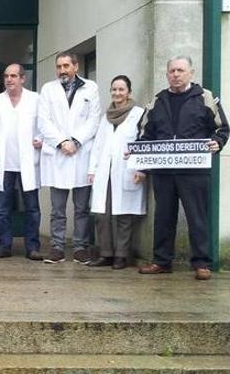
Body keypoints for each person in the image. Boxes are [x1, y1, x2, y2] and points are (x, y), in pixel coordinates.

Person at [137, 56, 228, 280]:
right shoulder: (156, 101)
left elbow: (223, 128)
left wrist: (218, 142)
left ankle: (201, 264)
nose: (176, 74)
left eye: (180, 70)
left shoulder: (205, 97)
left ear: (191, 72)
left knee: (197, 217)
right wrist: (138, 158)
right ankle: (161, 261)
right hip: (163, 172)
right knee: (163, 217)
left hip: (194, 171)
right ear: (167, 74)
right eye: (172, 71)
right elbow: (144, 135)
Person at [38, 52, 102, 264]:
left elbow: (94, 119)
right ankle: (56, 247)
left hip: (81, 152)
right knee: (57, 209)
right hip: (58, 152)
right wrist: (62, 142)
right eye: (59, 66)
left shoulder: (90, 88)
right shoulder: (48, 89)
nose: (62, 70)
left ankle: (80, 247)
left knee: (82, 207)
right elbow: (43, 121)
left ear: (76, 66)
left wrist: (75, 141)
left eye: (66, 66)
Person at [86, 75, 146, 270]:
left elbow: (143, 142)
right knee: (102, 215)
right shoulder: (106, 116)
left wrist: (141, 168)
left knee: (124, 216)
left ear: (129, 92)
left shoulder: (139, 114)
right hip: (105, 172)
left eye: (121, 89)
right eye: (114, 89)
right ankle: (106, 254)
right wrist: (92, 169)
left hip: (127, 170)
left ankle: (121, 255)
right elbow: (98, 145)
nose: (117, 93)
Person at [0, 64, 43, 260]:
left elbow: (44, 125)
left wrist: (41, 139)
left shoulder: (35, 99)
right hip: (4, 163)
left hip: (28, 162)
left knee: (32, 208)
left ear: (23, 78)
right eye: (6, 76)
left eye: (13, 76)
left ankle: (32, 247)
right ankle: (4, 246)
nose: (9, 79)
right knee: (2, 209)